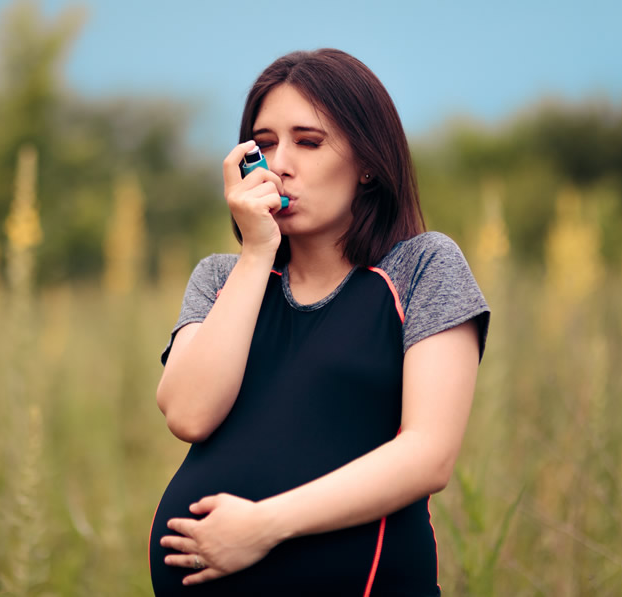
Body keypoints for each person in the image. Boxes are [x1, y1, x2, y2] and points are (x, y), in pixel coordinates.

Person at [148, 48, 490, 596]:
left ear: (369, 162)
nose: (280, 164)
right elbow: (189, 414)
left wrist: (263, 527)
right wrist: (259, 254)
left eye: (309, 142)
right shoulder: (220, 280)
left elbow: (429, 455)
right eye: (263, 146)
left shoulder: (421, 267)